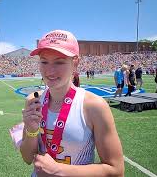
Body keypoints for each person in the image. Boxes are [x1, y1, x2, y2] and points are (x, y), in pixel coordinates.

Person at [20, 30, 124, 177]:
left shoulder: (94, 106)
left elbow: (116, 171)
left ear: (75, 63)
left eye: (59, 62)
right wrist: (31, 130)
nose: (50, 70)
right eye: (44, 61)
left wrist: (59, 170)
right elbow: (27, 158)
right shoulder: (33, 100)